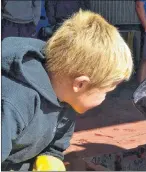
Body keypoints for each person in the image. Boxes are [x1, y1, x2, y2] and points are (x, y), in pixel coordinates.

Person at [1, 10, 133, 171]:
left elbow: (56, 145)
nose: (105, 98)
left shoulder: (68, 100)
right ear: (80, 84)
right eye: (105, 91)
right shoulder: (13, 102)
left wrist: (50, 158)